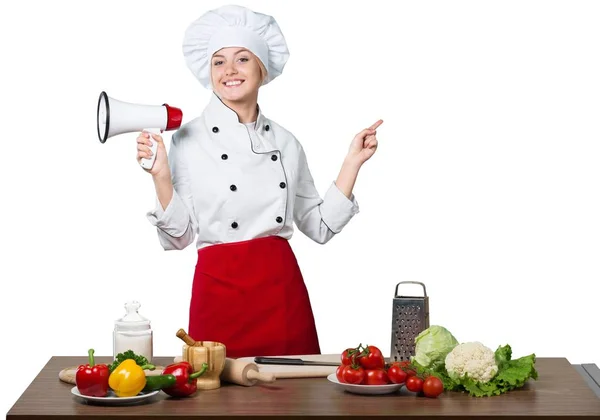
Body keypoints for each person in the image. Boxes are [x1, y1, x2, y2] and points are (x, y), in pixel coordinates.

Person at [137, 5, 382, 358]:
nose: (229, 71)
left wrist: (352, 162)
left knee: (292, 405)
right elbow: (179, 237)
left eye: (242, 59)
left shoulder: (285, 142)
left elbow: (320, 226)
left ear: (262, 69)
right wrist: (161, 176)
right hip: (217, 293)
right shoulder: (187, 139)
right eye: (218, 62)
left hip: (280, 295)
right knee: (214, 404)